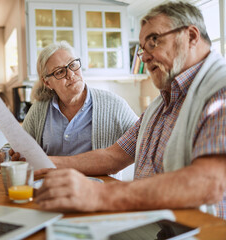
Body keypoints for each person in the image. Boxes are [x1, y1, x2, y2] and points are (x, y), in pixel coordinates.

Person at [32, 1, 226, 219]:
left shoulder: (221, 91)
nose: (144, 56)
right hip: (148, 224)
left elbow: (210, 182)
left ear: (191, 36)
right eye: (143, 48)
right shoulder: (159, 106)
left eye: (154, 41)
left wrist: (100, 195)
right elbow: (114, 156)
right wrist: (48, 164)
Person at [17, 40, 138, 180]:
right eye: (60, 71)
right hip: (51, 190)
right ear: (47, 82)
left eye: (73, 65)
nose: (70, 74)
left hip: (97, 194)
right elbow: (18, 144)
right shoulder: (39, 109)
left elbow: (144, 139)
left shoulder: (113, 104)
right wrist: (11, 152)